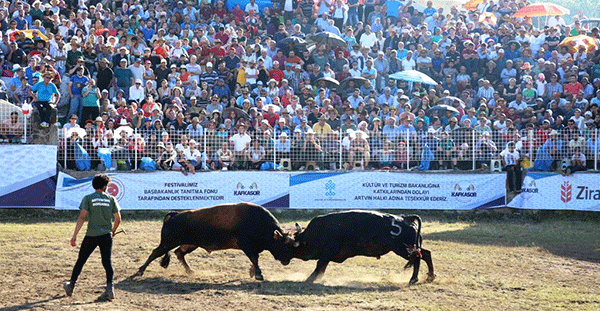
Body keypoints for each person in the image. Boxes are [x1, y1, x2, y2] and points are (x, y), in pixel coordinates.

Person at [64, 174, 121, 301]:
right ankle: (110, 289)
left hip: (91, 235)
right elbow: (118, 218)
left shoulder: (88, 198)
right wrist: (113, 231)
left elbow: (82, 217)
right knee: (107, 262)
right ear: (105, 186)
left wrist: (74, 236)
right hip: (106, 235)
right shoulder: (111, 199)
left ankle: (71, 285)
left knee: (81, 260)